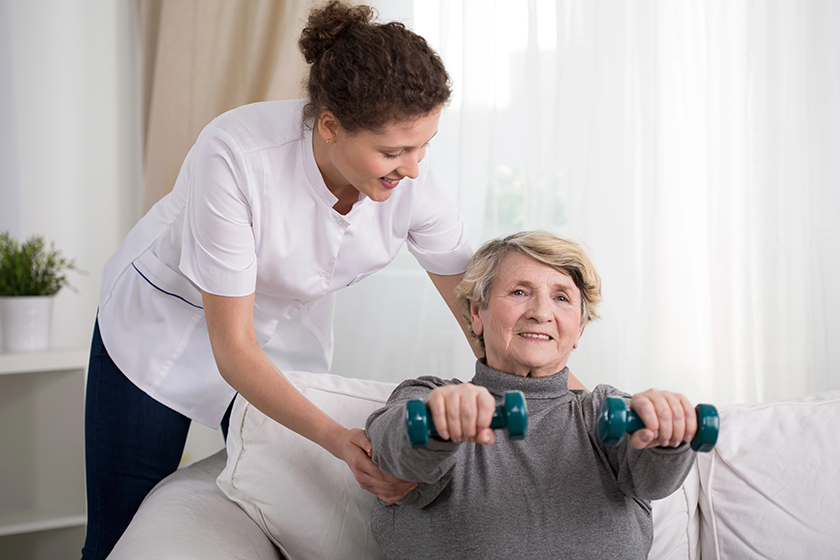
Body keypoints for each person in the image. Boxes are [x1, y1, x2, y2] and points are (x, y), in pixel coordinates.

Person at [81, 3, 595, 559]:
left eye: (425, 145)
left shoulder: (412, 184)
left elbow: (484, 317)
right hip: (163, 333)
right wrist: (338, 440)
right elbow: (231, 348)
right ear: (329, 126)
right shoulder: (234, 156)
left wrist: (582, 408)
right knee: (118, 533)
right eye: (394, 152)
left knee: (280, 504)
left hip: (281, 339)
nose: (414, 168)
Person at [365, 230, 698, 559]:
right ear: (477, 313)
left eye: (562, 297)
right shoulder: (426, 396)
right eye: (520, 292)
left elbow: (655, 479)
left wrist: (669, 437)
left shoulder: (604, 411)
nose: (541, 312)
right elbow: (393, 451)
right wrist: (440, 423)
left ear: (579, 328)